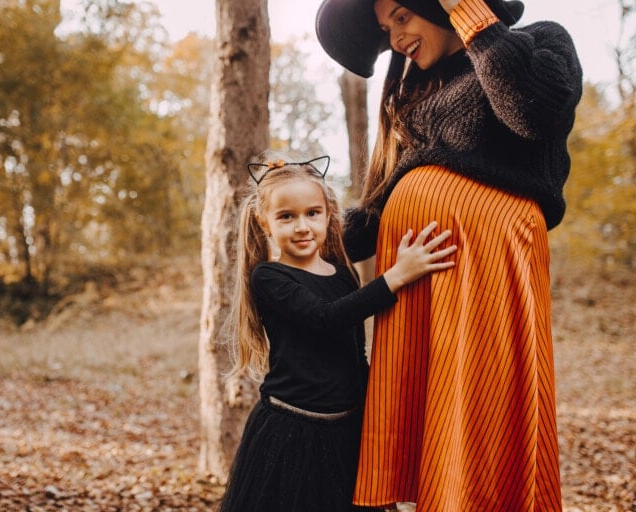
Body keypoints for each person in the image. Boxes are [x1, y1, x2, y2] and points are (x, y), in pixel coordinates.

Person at [315, 0, 583, 510]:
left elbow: (532, 113)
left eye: (401, 16)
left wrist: (470, 15)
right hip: (414, 278)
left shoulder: (541, 41)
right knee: (426, 418)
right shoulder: (415, 90)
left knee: (477, 403)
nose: (396, 38)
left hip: (485, 262)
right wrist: (309, 234)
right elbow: (378, 210)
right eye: (385, 29)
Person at [218, 151, 457, 512]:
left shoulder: (343, 273)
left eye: (312, 213)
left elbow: (355, 352)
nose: (302, 226)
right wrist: (397, 276)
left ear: (329, 215)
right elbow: (326, 318)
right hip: (291, 433)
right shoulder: (270, 277)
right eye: (286, 216)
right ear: (264, 222)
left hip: (345, 433)